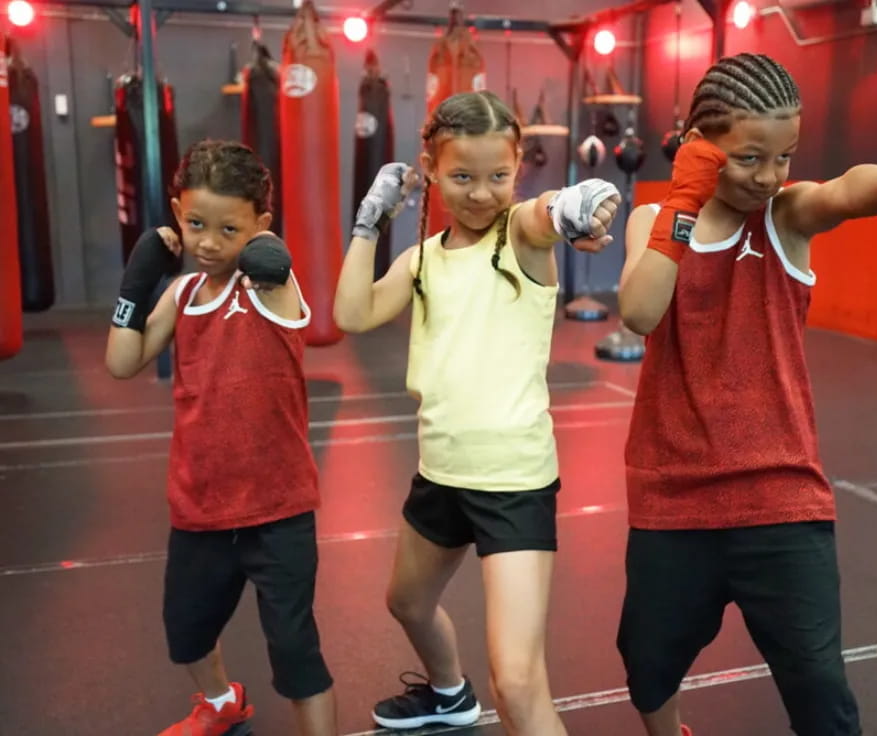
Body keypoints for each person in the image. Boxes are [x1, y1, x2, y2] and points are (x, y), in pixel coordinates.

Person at [617, 52, 877, 736]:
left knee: (821, 690)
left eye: (783, 155)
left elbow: (846, 190)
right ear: (701, 149)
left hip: (781, 494)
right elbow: (639, 313)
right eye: (749, 157)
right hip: (674, 496)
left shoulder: (785, 216)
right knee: (647, 667)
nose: (769, 176)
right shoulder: (655, 221)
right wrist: (685, 199)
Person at [334, 90, 620, 735]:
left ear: (519, 166)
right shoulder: (421, 259)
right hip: (441, 471)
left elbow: (547, 215)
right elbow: (351, 315)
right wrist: (369, 221)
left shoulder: (518, 237)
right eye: (462, 176)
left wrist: (578, 203)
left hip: (513, 483)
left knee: (518, 684)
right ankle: (447, 694)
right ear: (431, 170)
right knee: (406, 602)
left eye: (499, 176)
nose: (482, 193)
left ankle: (474, 696)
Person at [105, 139, 337, 736]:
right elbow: (121, 363)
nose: (208, 241)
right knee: (186, 633)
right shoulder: (182, 295)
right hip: (200, 506)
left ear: (260, 224)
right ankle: (219, 703)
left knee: (294, 653)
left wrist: (266, 252)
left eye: (228, 228)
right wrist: (136, 285)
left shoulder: (270, 287)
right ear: (178, 212)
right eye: (195, 222)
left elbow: (275, 271)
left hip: (277, 510)